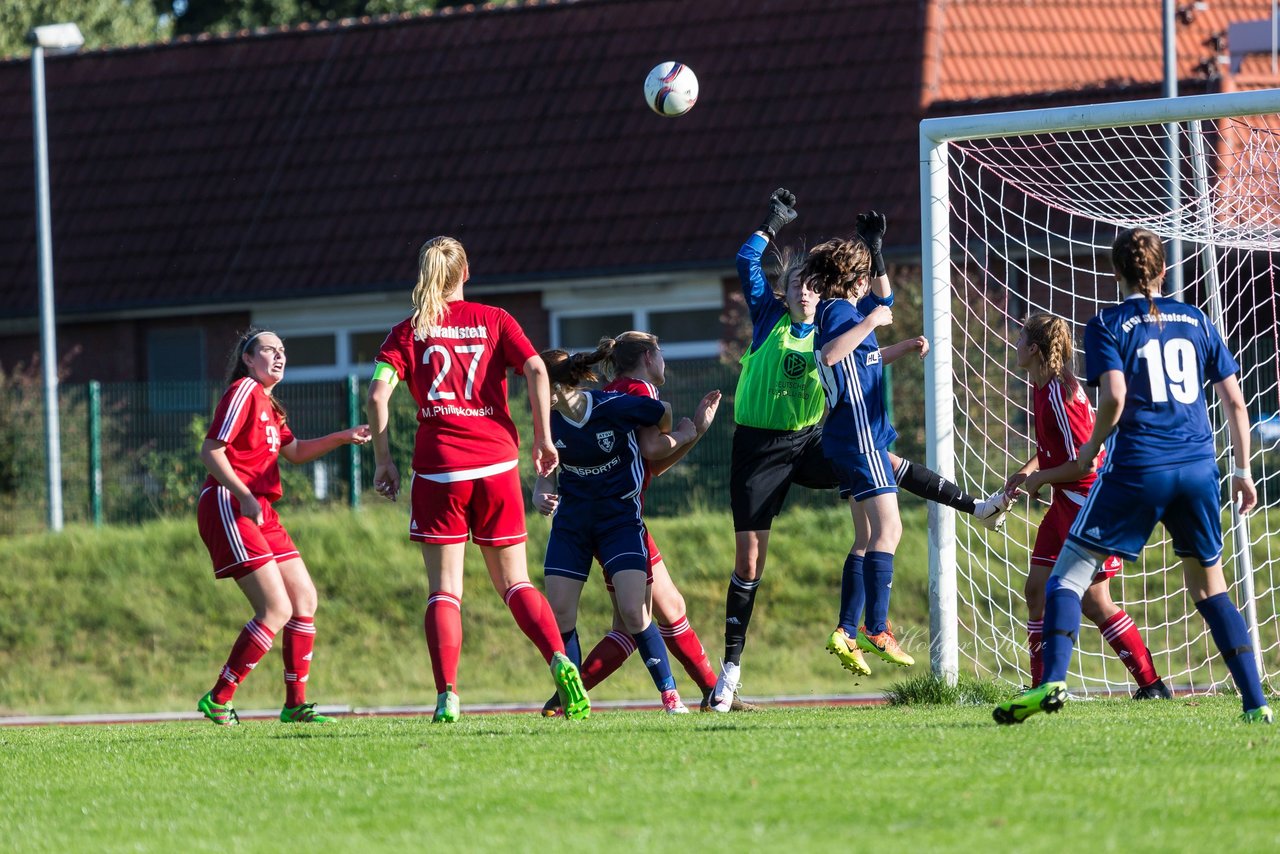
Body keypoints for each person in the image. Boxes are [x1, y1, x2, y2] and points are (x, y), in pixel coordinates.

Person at [710, 189, 1011, 712]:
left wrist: (876, 260)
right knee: (751, 561)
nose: (803, 293)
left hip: (809, 441)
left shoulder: (833, 318)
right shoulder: (767, 318)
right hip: (757, 451)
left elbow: (875, 321)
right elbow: (744, 260)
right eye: (795, 285)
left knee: (885, 469)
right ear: (782, 291)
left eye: (810, 285)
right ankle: (730, 675)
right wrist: (769, 224)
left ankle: (973, 508)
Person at [994, 227, 1272, 724]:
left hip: (1139, 467)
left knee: (1065, 580)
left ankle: (1052, 683)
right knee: (1212, 591)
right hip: (1199, 467)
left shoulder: (1106, 324)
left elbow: (1115, 399)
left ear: (1115, 271)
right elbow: (1234, 401)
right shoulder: (1199, 320)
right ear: (1163, 269)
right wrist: (1243, 470)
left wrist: (1089, 454)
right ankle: (1257, 704)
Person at [366, 235, 590, 723]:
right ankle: (559, 660)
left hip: (440, 468)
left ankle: (447, 694)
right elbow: (534, 367)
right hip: (495, 463)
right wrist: (543, 438)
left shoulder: (407, 332)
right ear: (466, 273)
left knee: (445, 591)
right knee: (515, 582)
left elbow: (378, 395)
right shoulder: (495, 320)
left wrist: (383, 461)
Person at [538, 331, 730, 715]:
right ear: (647, 355)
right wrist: (694, 433)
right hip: (618, 517)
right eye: (661, 353)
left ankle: (713, 694)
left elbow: (645, 460)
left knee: (641, 618)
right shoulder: (639, 393)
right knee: (652, 613)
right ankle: (715, 694)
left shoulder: (612, 392)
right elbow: (653, 454)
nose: (665, 363)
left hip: (612, 515)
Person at [196, 328, 372, 726]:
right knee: (275, 609)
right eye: (269, 350)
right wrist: (241, 494)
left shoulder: (271, 405)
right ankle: (219, 698)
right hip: (230, 501)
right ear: (247, 357)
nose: (279, 356)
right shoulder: (243, 390)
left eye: (283, 351)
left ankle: (295, 705)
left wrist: (343, 436)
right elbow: (211, 450)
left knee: (304, 600)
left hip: (258, 506)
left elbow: (293, 452)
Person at [1002, 312, 1170, 699]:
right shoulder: (1039, 384)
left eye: (1020, 338)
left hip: (1087, 503)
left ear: (1033, 349)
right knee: (1036, 591)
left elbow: (1088, 461)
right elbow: (1052, 448)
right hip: (1065, 501)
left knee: (1096, 601)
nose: (1014, 344)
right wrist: (1028, 470)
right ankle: (1040, 687)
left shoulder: (1063, 395)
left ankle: (1152, 684)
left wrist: (1041, 478)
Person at [807, 229, 915, 677]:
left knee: (867, 538)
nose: (873, 282)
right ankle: (876, 628)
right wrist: (869, 324)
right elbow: (833, 356)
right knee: (891, 529)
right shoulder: (838, 314)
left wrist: (878, 252)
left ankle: (846, 631)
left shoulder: (848, 310)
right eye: (868, 274)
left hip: (849, 438)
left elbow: (879, 319)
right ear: (855, 280)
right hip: (860, 436)